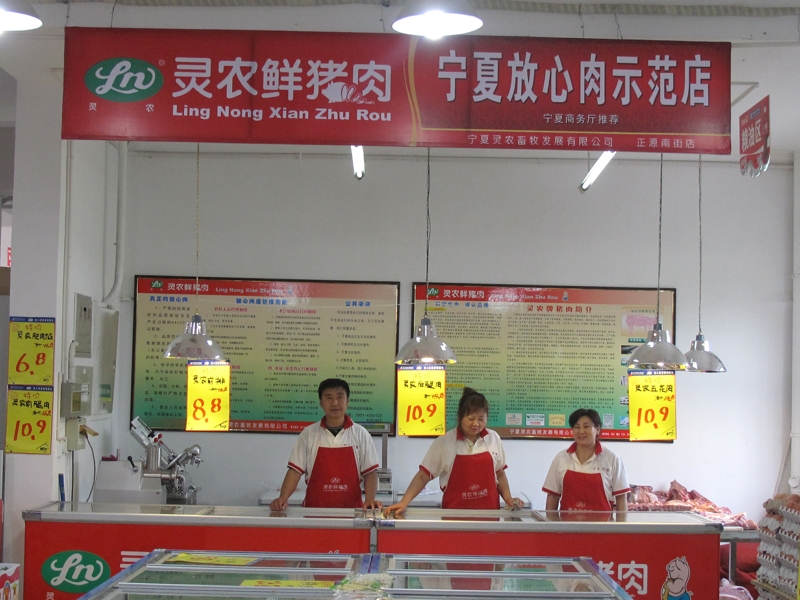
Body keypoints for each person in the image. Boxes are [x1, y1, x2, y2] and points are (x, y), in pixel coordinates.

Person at [385, 387, 523, 514]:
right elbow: (423, 476)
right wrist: (404, 502)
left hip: (489, 515)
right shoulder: (444, 442)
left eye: (481, 419)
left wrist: (508, 499)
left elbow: (500, 474)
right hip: (454, 517)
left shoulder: (493, 438)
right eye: (471, 418)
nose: (476, 424)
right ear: (460, 416)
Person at [269, 378, 382, 510]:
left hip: (351, 512)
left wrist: (369, 499)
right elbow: (295, 471)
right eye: (328, 398)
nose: (335, 403)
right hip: (313, 511)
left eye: (340, 397)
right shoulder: (309, 433)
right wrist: (283, 498)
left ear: (347, 401)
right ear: (321, 403)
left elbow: (370, 473)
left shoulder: (361, 434)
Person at [542, 408, 629, 512]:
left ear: (597, 429)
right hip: (567, 522)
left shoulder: (612, 459)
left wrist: (621, 523)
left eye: (586, 426)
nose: (581, 431)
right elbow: (552, 496)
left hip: (602, 522)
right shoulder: (561, 458)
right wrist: (550, 522)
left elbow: (621, 498)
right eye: (577, 427)